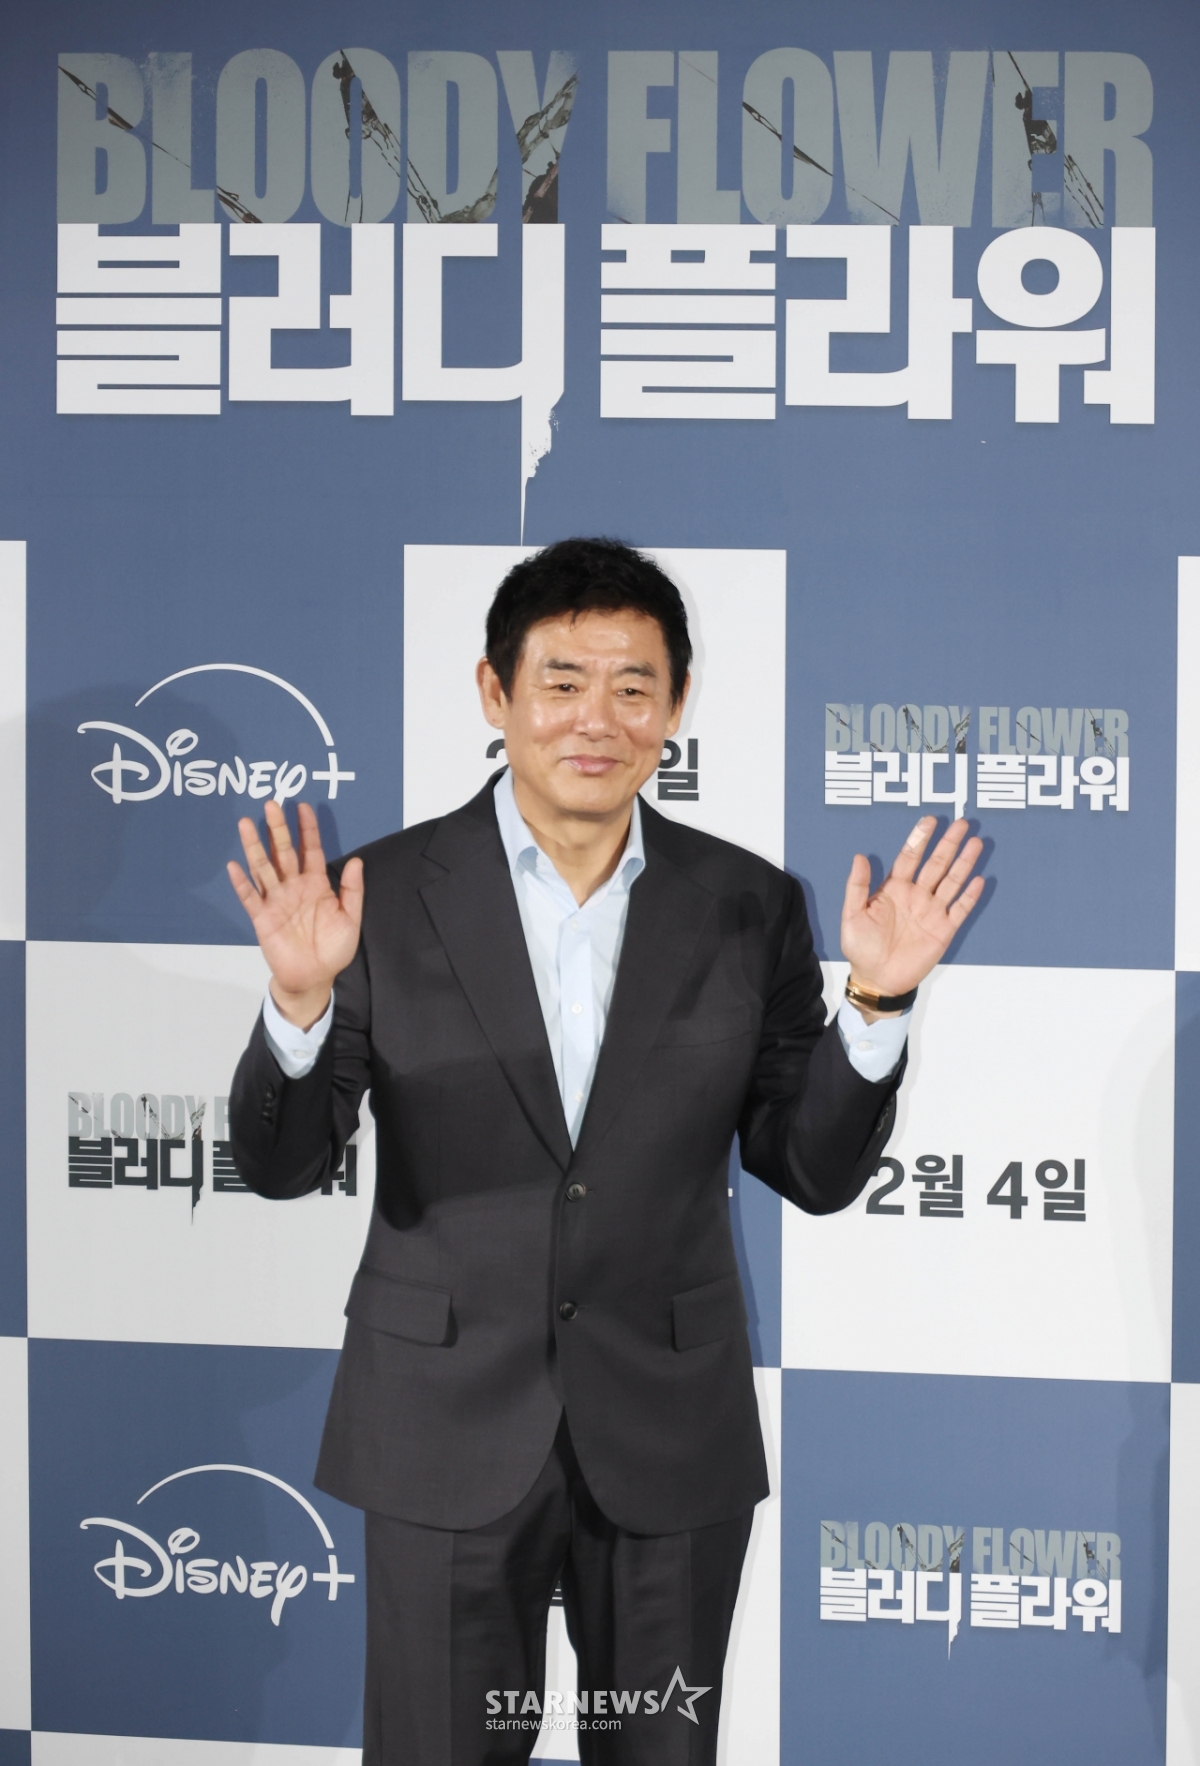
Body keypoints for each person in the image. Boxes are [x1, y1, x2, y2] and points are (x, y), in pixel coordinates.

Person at [227, 538, 983, 1766]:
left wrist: (879, 1005)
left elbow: (812, 1166)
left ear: (675, 707)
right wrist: (299, 1002)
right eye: (563, 681)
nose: (598, 718)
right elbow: (283, 1162)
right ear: (495, 692)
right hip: (442, 1422)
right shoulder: (379, 894)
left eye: (635, 686)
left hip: (670, 1428)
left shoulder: (748, 904)